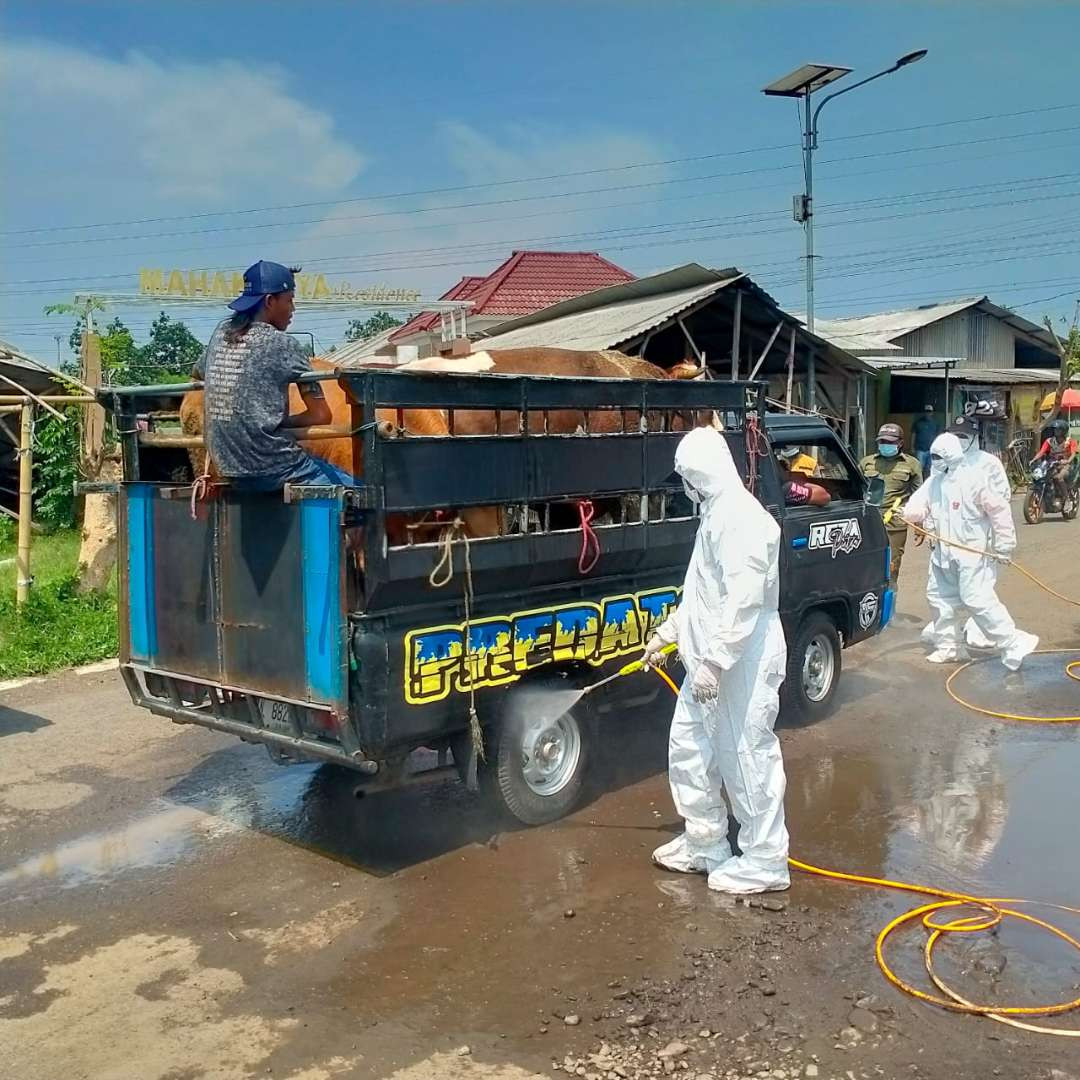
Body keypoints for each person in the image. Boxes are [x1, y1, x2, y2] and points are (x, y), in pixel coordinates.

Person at [642, 426, 790, 894]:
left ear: (697, 475)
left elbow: (743, 600)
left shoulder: (740, 518)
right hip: (708, 660)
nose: (683, 486)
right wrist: (667, 636)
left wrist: (716, 662)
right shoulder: (714, 514)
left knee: (746, 756)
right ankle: (705, 843)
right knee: (689, 748)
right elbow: (703, 595)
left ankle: (766, 861)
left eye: (685, 477)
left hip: (739, 663)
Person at [197, 260, 355, 491]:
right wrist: (280, 422)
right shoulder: (283, 345)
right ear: (270, 301)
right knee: (362, 498)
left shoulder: (221, 333)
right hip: (272, 466)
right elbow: (321, 415)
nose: (293, 309)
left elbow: (199, 371)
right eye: (289, 300)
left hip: (227, 466)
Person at [904, 433, 1038, 669]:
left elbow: (999, 512)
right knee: (939, 600)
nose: (934, 461)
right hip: (942, 553)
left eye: (938, 456)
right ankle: (949, 647)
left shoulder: (975, 481)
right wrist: (908, 513)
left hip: (971, 554)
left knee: (977, 600)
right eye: (932, 456)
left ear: (951, 456)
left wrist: (1004, 546)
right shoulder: (933, 483)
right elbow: (916, 507)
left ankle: (1013, 641)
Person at [860, 423, 922, 587]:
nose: (885, 445)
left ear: (900, 443)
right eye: (882, 442)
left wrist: (919, 526)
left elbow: (919, 497)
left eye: (890, 442)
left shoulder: (912, 465)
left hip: (894, 525)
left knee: (891, 568)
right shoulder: (867, 462)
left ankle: (890, 608)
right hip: (867, 521)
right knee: (864, 565)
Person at [1031, 418, 1079, 503]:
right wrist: (1033, 459)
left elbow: (1073, 454)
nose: (1056, 431)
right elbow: (1042, 452)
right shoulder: (1049, 441)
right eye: (1055, 429)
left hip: (1066, 465)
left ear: (1063, 431)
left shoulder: (1070, 441)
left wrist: (1067, 461)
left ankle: (1066, 498)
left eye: (1058, 429)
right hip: (1052, 463)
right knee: (1042, 476)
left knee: (1058, 477)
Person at [912, 404, 940, 475]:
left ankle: (927, 484)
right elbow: (913, 435)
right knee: (919, 469)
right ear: (924, 412)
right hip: (920, 450)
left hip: (931, 450)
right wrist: (912, 447)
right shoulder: (918, 422)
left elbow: (938, 436)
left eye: (929, 411)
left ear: (932, 412)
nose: (928, 413)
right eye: (926, 411)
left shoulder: (936, 423)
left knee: (929, 469)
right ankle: (919, 484)